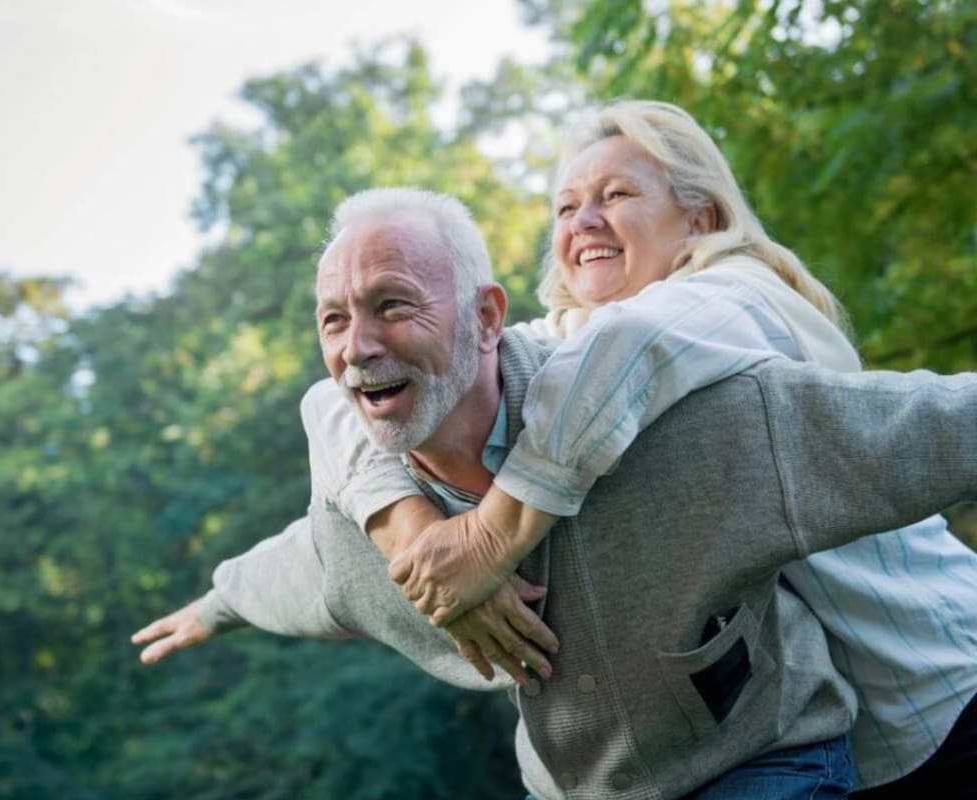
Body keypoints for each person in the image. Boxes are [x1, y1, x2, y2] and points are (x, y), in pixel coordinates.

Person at [132, 186, 977, 799]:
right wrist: (216, 602)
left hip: (763, 764)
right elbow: (299, 569)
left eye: (393, 306)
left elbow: (910, 428)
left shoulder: (680, 426)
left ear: (488, 318)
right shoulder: (367, 523)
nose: (357, 347)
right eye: (333, 320)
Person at [343, 101, 977, 795]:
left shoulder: (739, 296)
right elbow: (341, 402)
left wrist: (486, 544)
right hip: (844, 740)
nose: (583, 220)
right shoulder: (572, 345)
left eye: (615, 196)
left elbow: (633, 345)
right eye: (565, 207)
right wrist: (412, 531)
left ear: (700, 220)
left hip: (939, 684)